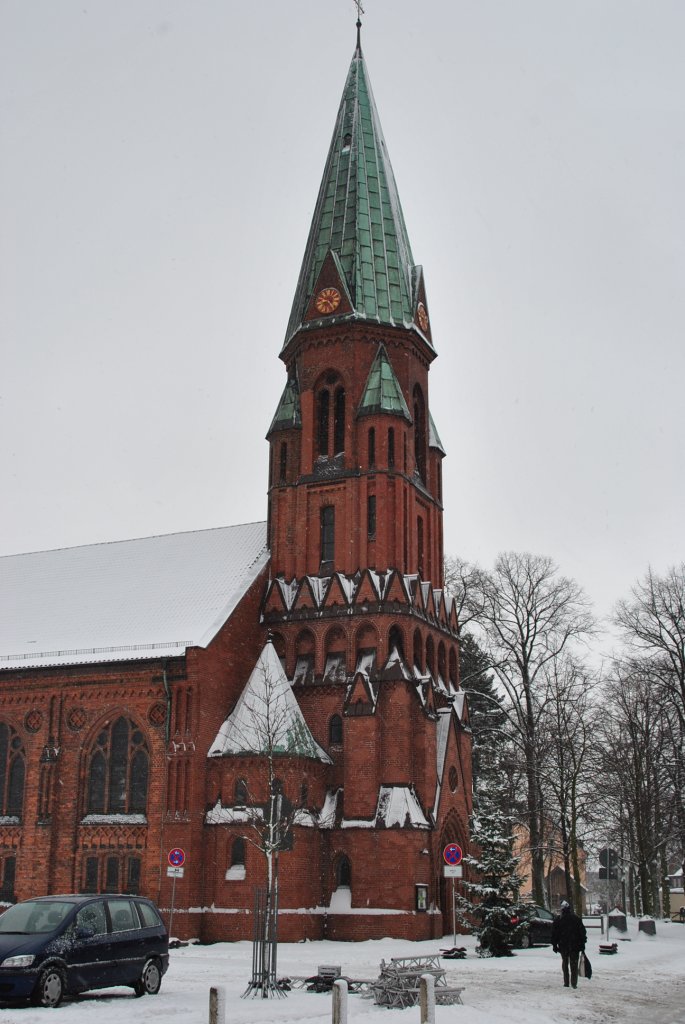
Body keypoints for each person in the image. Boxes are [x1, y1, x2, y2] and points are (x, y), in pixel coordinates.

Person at [551, 900, 587, 989]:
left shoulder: (558, 920)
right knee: (573, 964)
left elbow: (554, 934)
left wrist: (555, 945)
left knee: (565, 963)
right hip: (575, 945)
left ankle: (566, 982)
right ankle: (574, 983)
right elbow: (582, 932)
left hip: (563, 945)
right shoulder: (576, 919)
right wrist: (582, 944)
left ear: (562, 910)